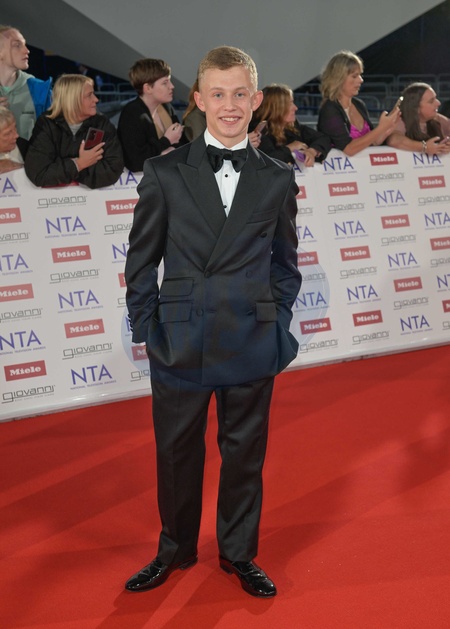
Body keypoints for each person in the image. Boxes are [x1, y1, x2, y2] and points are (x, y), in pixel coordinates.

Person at [124, 45, 302, 598]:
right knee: (176, 455)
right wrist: (149, 329)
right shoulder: (164, 171)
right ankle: (174, 549)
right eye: (218, 94)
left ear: (256, 98)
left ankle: (239, 553)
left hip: (250, 337)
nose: (230, 105)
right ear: (199, 99)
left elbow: (286, 264)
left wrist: (275, 324)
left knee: (245, 456)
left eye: (239, 94)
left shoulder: (277, 177)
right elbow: (140, 261)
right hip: (180, 339)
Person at [25, 74, 123, 189]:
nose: (96, 99)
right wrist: (79, 164)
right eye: (89, 95)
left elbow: (113, 170)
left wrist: (69, 167)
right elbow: (39, 174)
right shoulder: (46, 125)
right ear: (72, 99)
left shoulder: (102, 124)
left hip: (94, 199)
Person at [317, 50, 399, 156]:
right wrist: (381, 128)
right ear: (339, 78)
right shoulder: (329, 109)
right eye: (355, 76)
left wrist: (388, 127)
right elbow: (348, 149)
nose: (361, 80)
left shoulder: (359, 104)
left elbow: (373, 141)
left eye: (360, 75)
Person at [117, 58, 185, 172]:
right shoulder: (131, 114)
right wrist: (167, 141)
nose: (172, 86)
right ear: (148, 88)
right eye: (165, 83)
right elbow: (135, 161)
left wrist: (167, 150)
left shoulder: (167, 107)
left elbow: (181, 142)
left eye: (169, 81)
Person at [251, 83, 331, 166]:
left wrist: (312, 151)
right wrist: (290, 148)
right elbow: (267, 161)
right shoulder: (259, 131)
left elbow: (323, 138)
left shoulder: (293, 127)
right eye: (289, 104)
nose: (295, 108)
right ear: (275, 108)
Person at [0, 25, 52, 140]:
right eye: (17, 45)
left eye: (24, 44)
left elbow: (54, 138)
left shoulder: (40, 90)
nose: (27, 51)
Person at [386, 82, 450, 156]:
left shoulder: (438, 119)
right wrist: (424, 147)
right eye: (431, 101)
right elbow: (394, 140)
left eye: (436, 98)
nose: (438, 103)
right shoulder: (401, 119)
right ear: (416, 108)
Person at [0, 105, 27, 173]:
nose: (16, 135)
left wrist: (22, 168)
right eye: (8, 133)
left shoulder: (25, 146)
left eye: (15, 127)